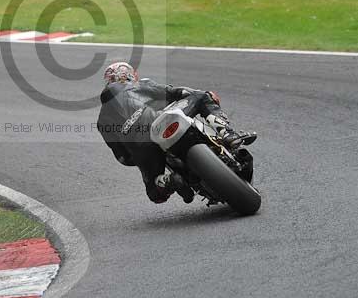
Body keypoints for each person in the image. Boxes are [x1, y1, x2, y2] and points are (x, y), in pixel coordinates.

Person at [96, 61, 256, 205]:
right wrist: (204, 96)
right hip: (159, 121)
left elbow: (122, 157)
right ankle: (227, 134)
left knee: (154, 194)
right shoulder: (138, 85)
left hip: (140, 147)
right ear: (129, 75)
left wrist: (140, 158)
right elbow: (175, 92)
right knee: (201, 96)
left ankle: (169, 180)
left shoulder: (102, 121)